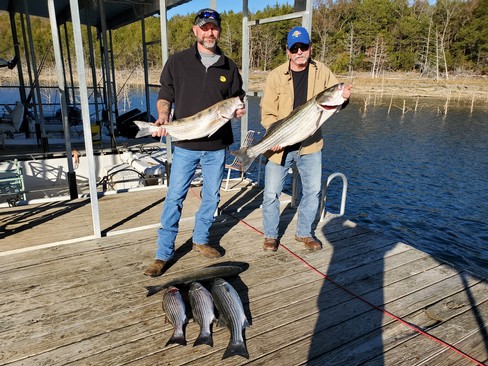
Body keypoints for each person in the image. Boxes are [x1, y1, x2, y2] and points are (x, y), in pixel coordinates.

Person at [144, 8, 246, 277]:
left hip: (217, 146)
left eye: (214, 27)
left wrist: (238, 110)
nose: (210, 32)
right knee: (175, 196)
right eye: (205, 27)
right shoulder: (178, 62)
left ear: (219, 31)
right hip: (186, 144)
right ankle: (163, 254)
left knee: (211, 196)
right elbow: (166, 92)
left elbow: (238, 97)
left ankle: (201, 239)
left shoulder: (229, 66)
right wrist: (163, 117)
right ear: (195, 30)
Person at [260, 26, 352, 252]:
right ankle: (271, 235)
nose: (300, 52)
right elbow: (268, 114)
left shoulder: (322, 71)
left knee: (312, 191)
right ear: (288, 51)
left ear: (311, 48)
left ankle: (304, 233)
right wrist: (275, 137)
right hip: (280, 144)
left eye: (304, 47)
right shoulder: (275, 75)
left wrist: (344, 98)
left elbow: (337, 98)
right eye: (295, 48)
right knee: (271, 192)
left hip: (311, 146)